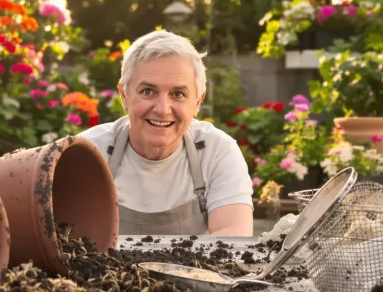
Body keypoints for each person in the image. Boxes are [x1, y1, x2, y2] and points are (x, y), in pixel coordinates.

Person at [78, 30, 253, 236]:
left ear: (197, 102)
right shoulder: (87, 153)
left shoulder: (217, 151)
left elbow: (233, 236)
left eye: (178, 94)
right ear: (124, 95)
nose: (162, 109)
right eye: (148, 91)